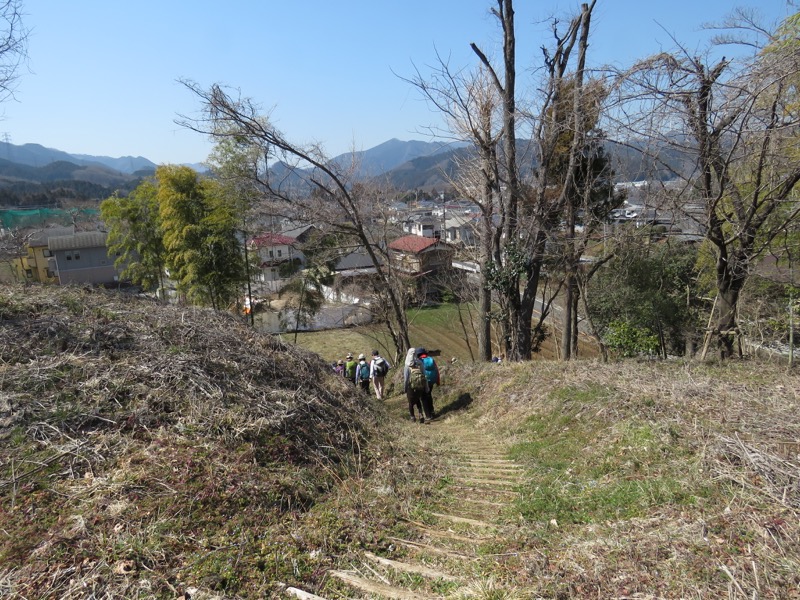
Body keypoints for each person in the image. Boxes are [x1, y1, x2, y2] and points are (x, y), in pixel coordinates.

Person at [403, 347, 428, 423]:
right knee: (418, 400)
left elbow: (406, 378)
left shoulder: (407, 365)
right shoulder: (419, 362)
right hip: (420, 385)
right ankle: (421, 415)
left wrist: (405, 388)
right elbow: (424, 374)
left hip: (411, 386)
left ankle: (412, 417)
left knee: (411, 402)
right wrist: (426, 387)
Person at [416, 348, 440, 420]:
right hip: (432, 380)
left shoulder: (419, 361)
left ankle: (428, 415)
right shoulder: (431, 359)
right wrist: (438, 381)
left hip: (424, 381)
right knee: (429, 395)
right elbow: (437, 370)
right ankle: (432, 412)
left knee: (423, 397)